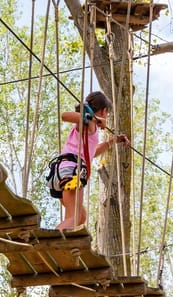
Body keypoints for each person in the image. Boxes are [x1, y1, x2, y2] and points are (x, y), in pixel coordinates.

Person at [46, 91, 128, 230]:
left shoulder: (89, 128)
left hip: (62, 170)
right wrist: (94, 119)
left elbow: (92, 152)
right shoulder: (89, 123)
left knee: (81, 216)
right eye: (107, 114)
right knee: (75, 218)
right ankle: (49, 243)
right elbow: (65, 116)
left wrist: (112, 142)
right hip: (72, 170)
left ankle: (59, 241)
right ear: (104, 111)